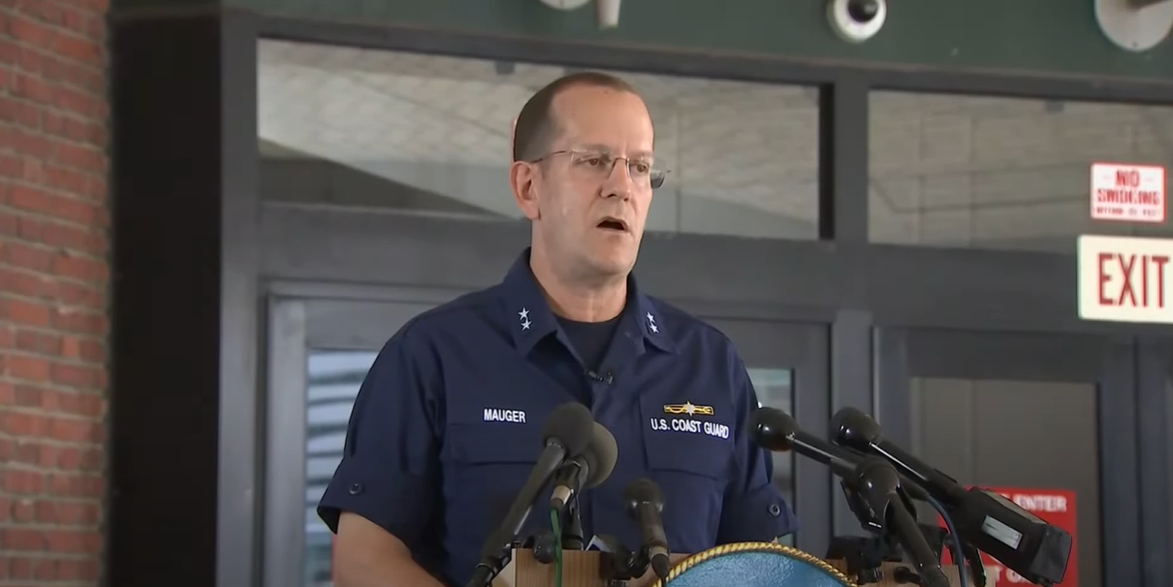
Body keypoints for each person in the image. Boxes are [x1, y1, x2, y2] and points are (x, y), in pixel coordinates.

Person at [318, 71, 798, 587]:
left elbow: (764, 566)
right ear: (529, 187)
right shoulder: (433, 354)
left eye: (640, 167)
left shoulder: (710, 367)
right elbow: (363, 562)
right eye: (593, 161)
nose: (621, 187)